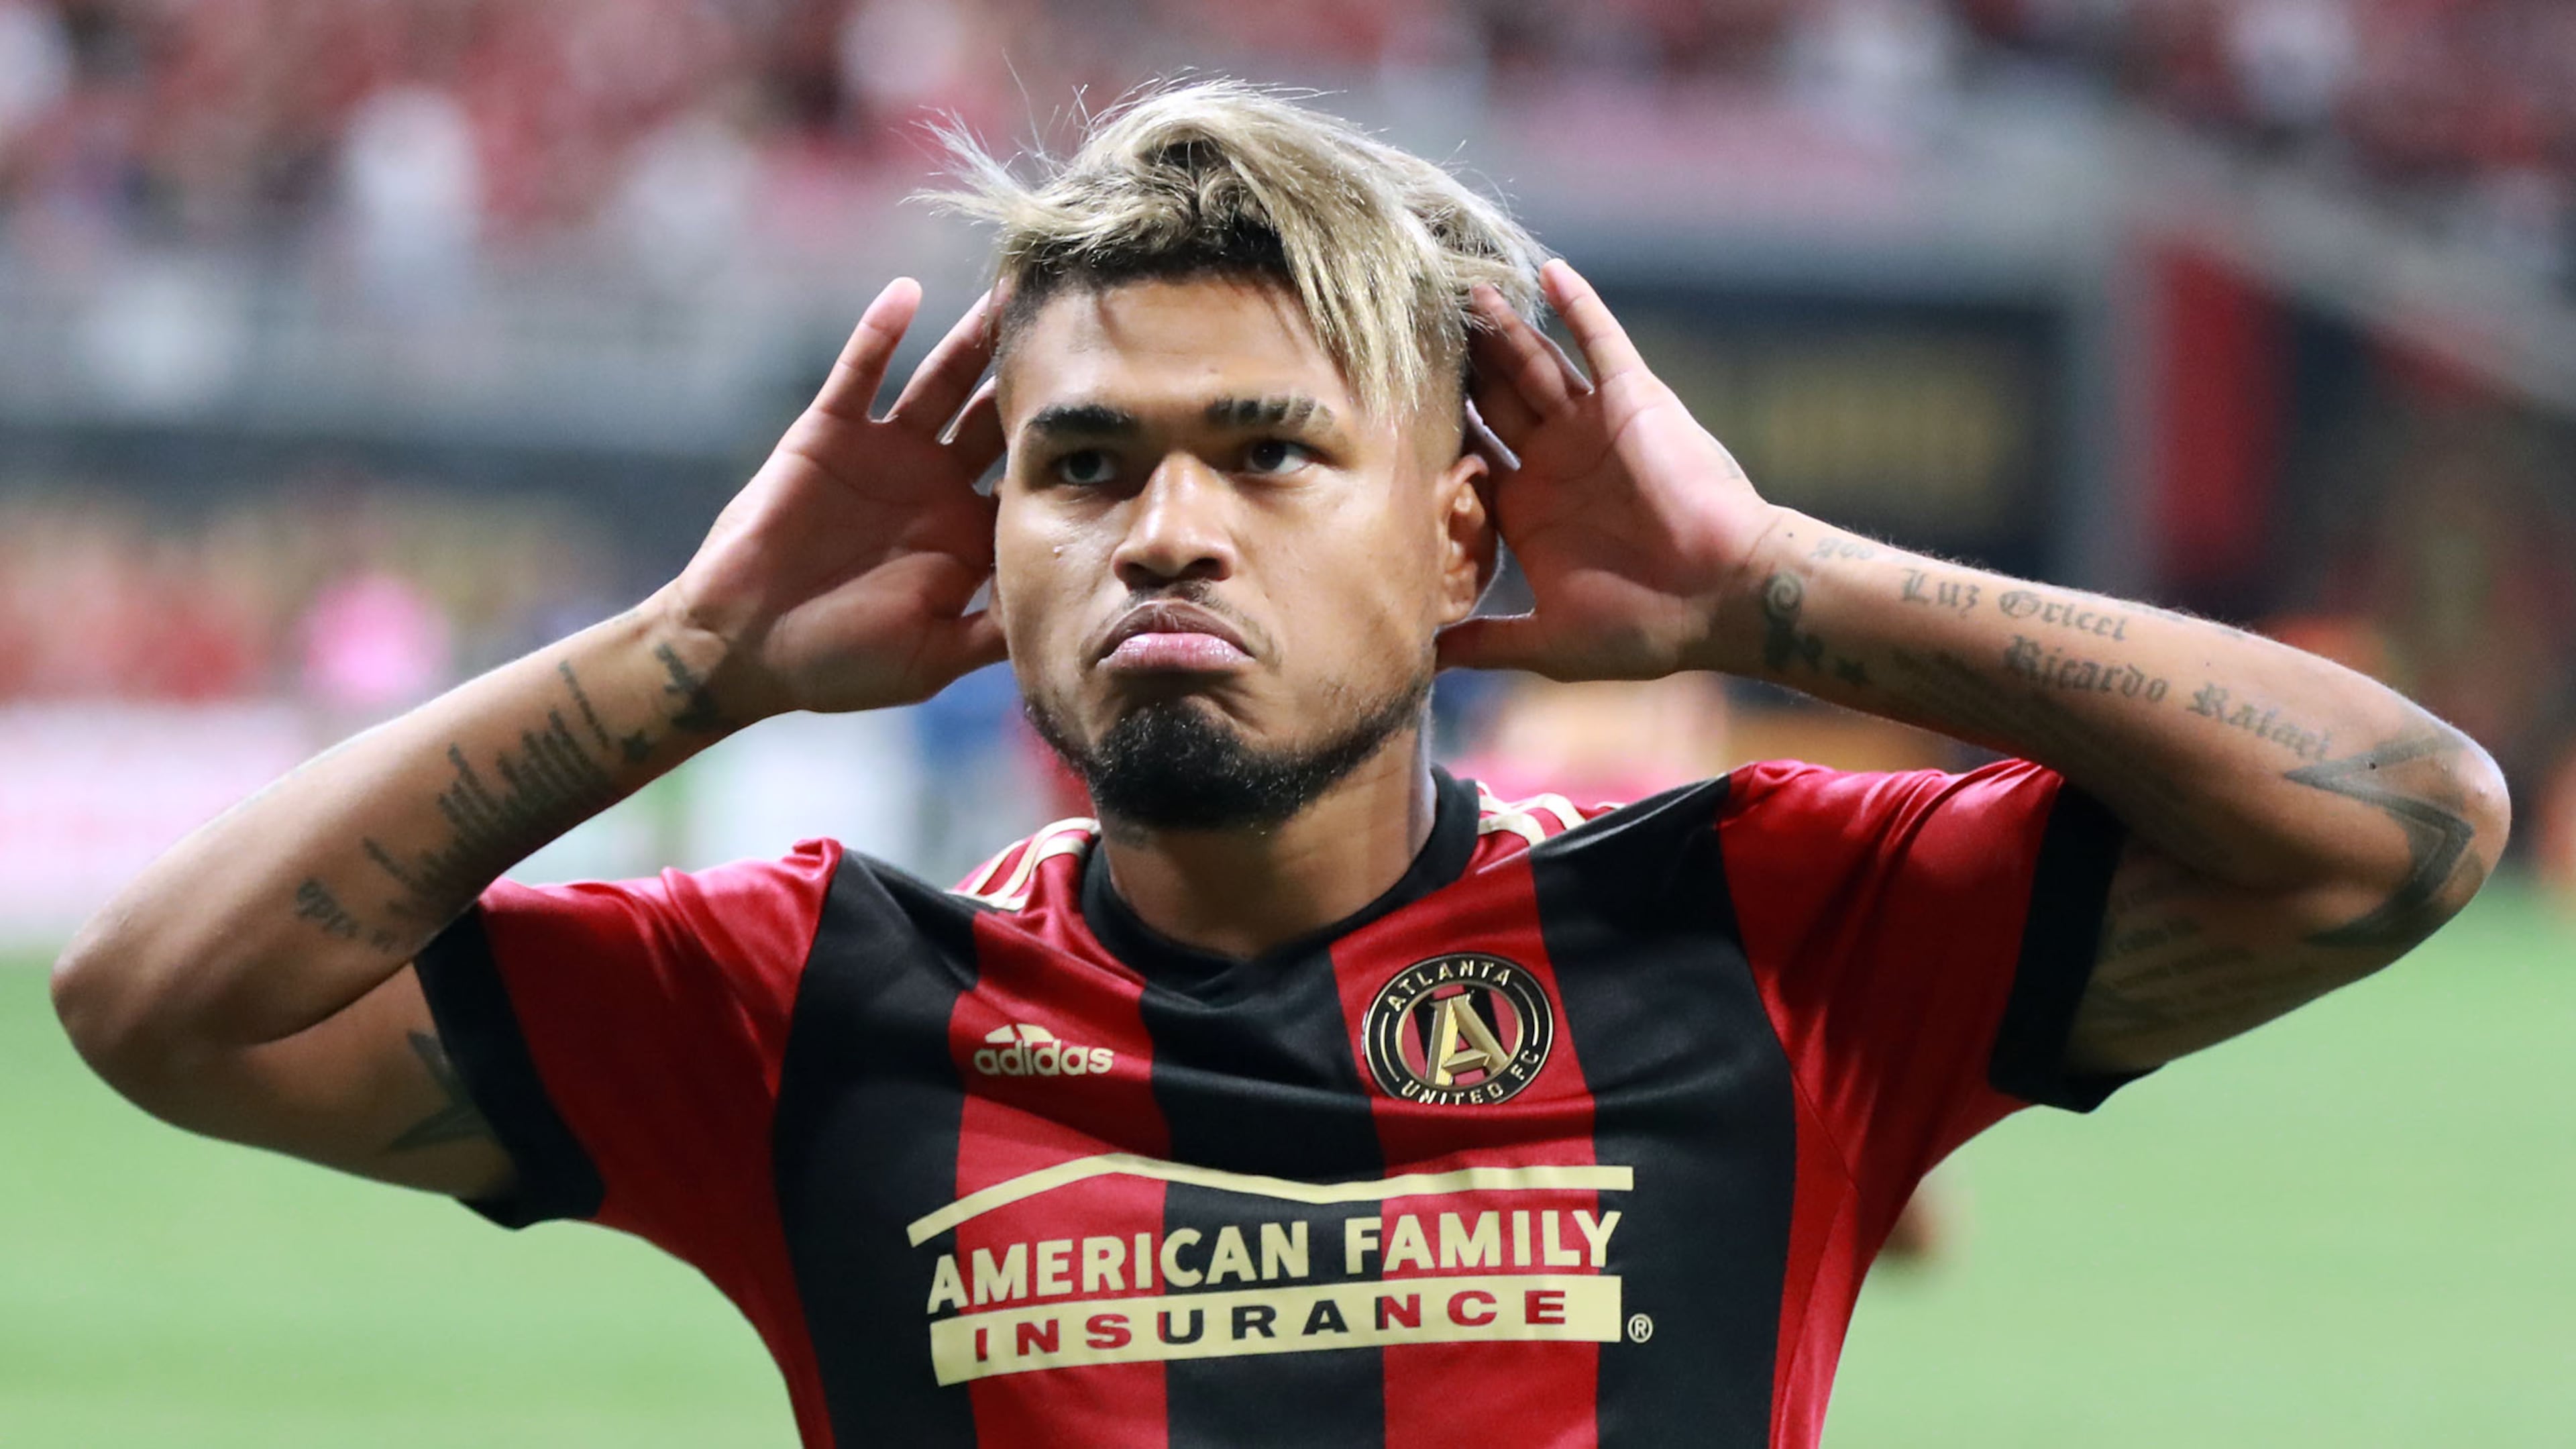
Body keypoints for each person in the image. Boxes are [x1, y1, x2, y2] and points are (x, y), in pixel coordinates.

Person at [52, 82, 2509, 1448]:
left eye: (1269, 452)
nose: (1169, 532)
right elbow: (159, 1007)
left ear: (1460, 535)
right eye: (1087, 465)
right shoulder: (804, 1004)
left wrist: (1778, 585)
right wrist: (694, 656)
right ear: (992, 542)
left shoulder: (1756, 925)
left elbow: (2396, 835)